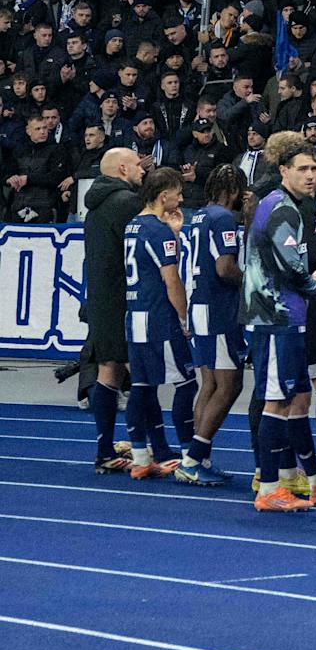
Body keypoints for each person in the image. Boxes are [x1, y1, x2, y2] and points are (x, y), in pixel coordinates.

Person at [244, 135, 316, 513]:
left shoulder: (291, 206)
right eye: (302, 168)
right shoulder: (282, 209)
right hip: (275, 315)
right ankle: (270, 486)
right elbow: (290, 267)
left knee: (296, 395)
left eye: (315, 168)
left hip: (289, 315)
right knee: (277, 399)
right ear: (284, 170)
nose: (310, 175)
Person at [176, 162, 249, 486]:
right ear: (233, 190)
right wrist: (251, 282)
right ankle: (194, 458)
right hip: (218, 309)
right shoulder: (223, 219)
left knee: (210, 384)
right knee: (230, 384)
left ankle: (197, 457)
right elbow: (224, 267)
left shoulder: (200, 216)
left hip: (200, 304)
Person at [79, 146, 146, 474]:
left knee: (110, 371)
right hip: (124, 298)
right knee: (142, 375)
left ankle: (105, 450)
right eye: (137, 164)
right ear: (122, 169)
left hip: (102, 298)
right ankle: (147, 450)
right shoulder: (127, 203)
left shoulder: (95, 205)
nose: (142, 169)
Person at [123, 167, 189, 478]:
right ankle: (190, 453)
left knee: (142, 385)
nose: (181, 199)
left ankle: (142, 455)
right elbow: (171, 279)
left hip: (135, 315)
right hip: (158, 317)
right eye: (178, 193)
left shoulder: (133, 225)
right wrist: (184, 316)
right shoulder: (156, 230)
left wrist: (174, 233)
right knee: (186, 382)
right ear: (164, 196)